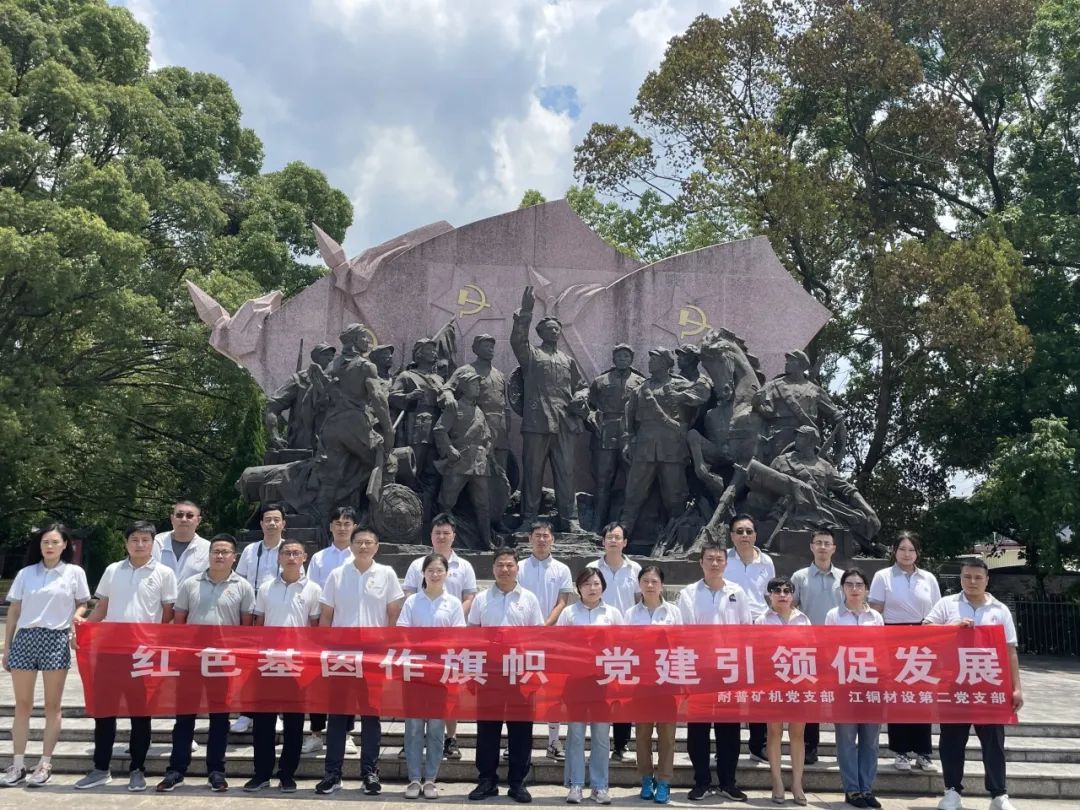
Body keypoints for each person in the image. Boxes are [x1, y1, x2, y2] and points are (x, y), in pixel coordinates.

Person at [75, 521, 178, 792]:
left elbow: (168, 613)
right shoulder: (113, 570)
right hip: (110, 652)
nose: (139, 544)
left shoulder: (164, 573)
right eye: (134, 539)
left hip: (143, 653)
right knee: (104, 712)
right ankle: (100, 768)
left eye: (145, 539)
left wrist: (156, 641)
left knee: (140, 714)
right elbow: (102, 607)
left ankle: (137, 769)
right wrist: (84, 630)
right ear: (126, 542)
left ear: (153, 543)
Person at [157, 534, 256, 793]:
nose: (220, 556)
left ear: (234, 557)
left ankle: (216, 771)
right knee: (184, 718)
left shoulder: (243, 587)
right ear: (209, 555)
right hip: (191, 661)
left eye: (225, 552)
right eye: (215, 551)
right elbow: (179, 623)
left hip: (222, 662)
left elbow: (246, 629)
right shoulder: (190, 584)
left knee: (220, 719)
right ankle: (176, 770)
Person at [925, 558, 1022, 810]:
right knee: (952, 741)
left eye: (978, 577)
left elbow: (1010, 650)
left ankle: (998, 794)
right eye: (967, 576)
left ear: (987, 580)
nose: (972, 581)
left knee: (993, 742)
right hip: (953, 684)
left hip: (989, 686)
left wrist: (1016, 688)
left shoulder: (999, 609)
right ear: (960, 578)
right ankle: (952, 791)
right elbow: (925, 630)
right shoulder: (947, 604)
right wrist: (951, 627)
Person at [315, 525, 404, 796]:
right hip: (341, 655)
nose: (363, 546)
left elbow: (393, 615)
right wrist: (324, 651)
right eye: (359, 542)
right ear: (351, 546)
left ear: (377, 547)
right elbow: (326, 616)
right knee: (337, 715)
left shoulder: (387, 574)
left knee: (371, 715)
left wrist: (387, 649)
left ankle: (370, 772)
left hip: (373, 655)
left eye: (368, 542)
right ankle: (332, 773)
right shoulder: (337, 574)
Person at [1, 524, 91, 788]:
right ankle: (18, 764)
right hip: (26, 638)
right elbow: (14, 611)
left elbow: (83, 602)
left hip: (55, 638)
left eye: (54, 542)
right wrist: (8, 646)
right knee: (23, 705)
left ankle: (44, 763)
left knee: (53, 705)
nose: (49, 546)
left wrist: (76, 619)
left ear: (65, 544)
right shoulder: (26, 573)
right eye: (45, 542)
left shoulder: (74, 572)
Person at [677, 540, 752, 802]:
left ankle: (728, 782)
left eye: (719, 559)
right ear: (701, 562)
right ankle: (701, 781)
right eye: (709, 559)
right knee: (698, 728)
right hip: (700, 669)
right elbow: (685, 632)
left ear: (726, 563)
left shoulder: (737, 592)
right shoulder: (688, 593)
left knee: (729, 729)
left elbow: (746, 629)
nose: (715, 563)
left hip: (729, 670)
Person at [244, 538, 321, 793]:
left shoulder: (313, 589)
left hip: (298, 663)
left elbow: (315, 628)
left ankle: (287, 774)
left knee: (294, 723)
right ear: (279, 557)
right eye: (286, 553)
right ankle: (261, 773)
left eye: (296, 553)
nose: (291, 557)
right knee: (263, 722)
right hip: (268, 661)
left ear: (304, 557)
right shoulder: (266, 588)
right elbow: (259, 623)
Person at [467, 548, 544, 803]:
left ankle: (517, 782)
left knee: (521, 729)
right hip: (489, 672)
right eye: (500, 565)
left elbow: (537, 638)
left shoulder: (529, 599)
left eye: (510, 565)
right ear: (493, 568)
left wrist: (534, 673)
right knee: (487, 728)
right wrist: (473, 671)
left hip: (520, 672)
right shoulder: (481, 599)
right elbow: (473, 636)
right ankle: (486, 780)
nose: (505, 569)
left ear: (517, 569)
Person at [510, 285, 589, 532]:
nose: (554, 331)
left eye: (557, 328)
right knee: (532, 473)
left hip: (564, 424)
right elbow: (518, 340)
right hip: (537, 423)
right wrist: (526, 311)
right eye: (549, 329)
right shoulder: (531, 356)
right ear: (540, 332)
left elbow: (582, 386)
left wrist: (581, 396)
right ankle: (529, 519)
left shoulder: (568, 361)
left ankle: (570, 520)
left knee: (566, 473)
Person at [402, 513, 478, 760]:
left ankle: (451, 738)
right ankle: (412, 739)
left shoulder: (464, 566)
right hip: (419, 645)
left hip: (450, 641)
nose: (442, 537)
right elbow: (409, 595)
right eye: (437, 533)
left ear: (454, 535)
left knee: (449, 693)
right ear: (431, 535)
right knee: (417, 694)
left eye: (446, 533)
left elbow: (469, 597)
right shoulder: (417, 564)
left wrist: (452, 621)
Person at [869, 531, 942, 773]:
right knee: (898, 696)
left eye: (911, 550)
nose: (907, 554)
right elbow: (876, 609)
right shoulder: (883, 576)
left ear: (918, 553)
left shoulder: (928, 578)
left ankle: (923, 752)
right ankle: (900, 750)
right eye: (902, 549)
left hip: (923, 638)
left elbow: (937, 611)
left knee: (922, 696)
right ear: (894, 551)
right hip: (894, 638)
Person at [397, 553, 466, 799]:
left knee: (436, 727)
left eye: (439, 570)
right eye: (430, 570)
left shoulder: (453, 603)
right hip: (415, 672)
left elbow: (458, 637)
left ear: (447, 573)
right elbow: (403, 632)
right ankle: (414, 779)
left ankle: (430, 779)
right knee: (414, 727)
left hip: (441, 673)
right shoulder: (412, 601)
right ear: (423, 573)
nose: (435, 574)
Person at [557, 568, 624, 804]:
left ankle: (599, 786)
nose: (592, 588)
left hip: (603, 683)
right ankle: (575, 784)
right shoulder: (568, 613)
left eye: (596, 583)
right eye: (586, 584)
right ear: (578, 588)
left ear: (603, 586)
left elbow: (621, 647)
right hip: (575, 683)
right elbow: (559, 646)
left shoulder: (613, 614)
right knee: (575, 735)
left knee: (601, 737)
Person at [826, 568, 885, 809]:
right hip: (844, 684)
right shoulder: (833, 615)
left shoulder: (875, 617)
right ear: (842, 588)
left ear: (867, 589)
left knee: (870, 740)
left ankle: (867, 788)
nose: (854, 589)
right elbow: (829, 649)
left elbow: (881, 649)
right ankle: (852, 790)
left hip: (871, 684)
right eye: (849, 584)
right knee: (847, 739)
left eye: (859, 585)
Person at [303, 506, 359, 756]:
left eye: (347, 523)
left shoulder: (359, 556)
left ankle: (346, 734)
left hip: (349, 629)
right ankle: (315, 733)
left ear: (354, 527)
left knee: (347, 683)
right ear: (330, 527)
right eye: (338, 523)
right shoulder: (319, 558)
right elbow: (311, 591)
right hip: (322, 629)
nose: (342, 528)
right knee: (318, 681)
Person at [516, 518, 573, 761]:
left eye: (545, 535)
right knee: (521, 690)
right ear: (529, 539)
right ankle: (517, 742)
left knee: (553, 691)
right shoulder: (518, 567)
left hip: (552, 637)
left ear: (553, 540)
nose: (541, 539)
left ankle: (553, 741)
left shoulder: (562, 569)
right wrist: (532, 629)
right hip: (524, 638)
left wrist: (545, 625)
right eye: (537, 535)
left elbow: (562, 601)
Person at [722, 513, 775, 764]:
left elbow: (769, 596)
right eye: (739, 531)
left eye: (749, 531)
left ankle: (757, 744)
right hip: (731, 629)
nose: (744, 536)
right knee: (729, 687)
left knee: (758, 688)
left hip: (759, 629)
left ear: (755, 535)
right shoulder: (724, 559)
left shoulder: (766, 562)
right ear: (732, 536)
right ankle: (725, 745)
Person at [231, 502, 289, 735]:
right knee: (250, 666)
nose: (272, 523)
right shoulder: (250, 550)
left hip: (277, 617)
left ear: (283, 524)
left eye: (276, 519)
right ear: (261, 524)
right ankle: (246, 713)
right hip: (253, 616)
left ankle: (275, 712)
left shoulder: (290, 549)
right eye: (268, 520)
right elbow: (239, 580)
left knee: (276, 665)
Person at [626, 565, 681, 805]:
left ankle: (665, 780)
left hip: (667, 681)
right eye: (645, 581)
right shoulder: (630, 614)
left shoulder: (673, 612)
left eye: (654, 581)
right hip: (641, 682)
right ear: (639, 584)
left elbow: (682, 644)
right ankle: (647, 778)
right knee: (642, 734)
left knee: (667, 735)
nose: (650, 585)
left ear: (662, 585)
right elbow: (625, 646)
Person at [586, 521, 641, 762]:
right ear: (603, 541)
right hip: (596, 639)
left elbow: (639, 603)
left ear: (625, 542)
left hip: (625, 640)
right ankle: (597, 743)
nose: (613, 541)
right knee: (597, 692)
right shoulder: (592, 568)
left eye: (618, 537)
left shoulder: (635, 569)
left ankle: (621, 744)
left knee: (622, 693)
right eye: (609, 537)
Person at [790, 525, 844, 764]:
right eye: (818, 543)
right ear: (811, 547)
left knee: (840, 696)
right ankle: (810, 746)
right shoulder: (799, 577)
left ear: (834, 548)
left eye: (827, 543)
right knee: (810, 697)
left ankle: (844, 745)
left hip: (837, 647)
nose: (823, 547)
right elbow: (792, 608)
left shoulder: (844, 578)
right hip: (808, 647)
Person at [756, 576, 811, 805]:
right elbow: (757, 653)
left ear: (792, 595)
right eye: (777, 591)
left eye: (787, 591)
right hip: (772, 683)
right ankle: (777, 782)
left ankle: (797, 784)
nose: (782, 595)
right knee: (774, 732)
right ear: (769, 595)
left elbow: (810, 651)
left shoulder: (803, 620)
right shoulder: (762, 621)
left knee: (797, 734)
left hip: (798, 683)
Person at [586, 344, 644, 532]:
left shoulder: (640, 382)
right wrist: (591, 418)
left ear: (631, 359)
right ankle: (597, 527)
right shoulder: (600, 381)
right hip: (605, 434)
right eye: (619, 356)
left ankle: (628, 529)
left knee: (632, 482)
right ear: (613, 358)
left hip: (630, 434)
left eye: (626, 356)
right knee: (603, 482)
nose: (622, 359)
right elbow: (589, 406)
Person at [152, 499, 209, 585]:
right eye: (179, 515)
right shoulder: (155, 543)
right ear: (172, 518)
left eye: (189, 516)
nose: (184, 519)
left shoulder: (208, 549)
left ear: (198, 520)